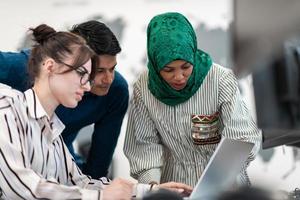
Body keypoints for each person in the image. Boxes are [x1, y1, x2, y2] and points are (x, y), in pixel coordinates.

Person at [0, 24, 192, 200]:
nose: (87, 86)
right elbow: (22, 188)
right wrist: (100, 197)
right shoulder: (7, 108)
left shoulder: (54, 131)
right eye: (83, 74)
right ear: (50, 66)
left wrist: (148, 191)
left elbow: (81, 182)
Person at [124, 12, 262, 187]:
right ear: (156, 64)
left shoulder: (220, 79)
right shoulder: (144, 88)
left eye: (186, 67)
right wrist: (153, 188)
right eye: (168, 70)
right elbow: (144, 146)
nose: (179, 77)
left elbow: (241, 139)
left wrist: (212, 184)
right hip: (173, 185)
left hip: (224, 183)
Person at [0, 20, 129, 178]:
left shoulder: (115, 90)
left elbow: (97, 167)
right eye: (99, 70)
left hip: (59, 158)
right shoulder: (23, 67)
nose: (108, 79)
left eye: (113, 69)